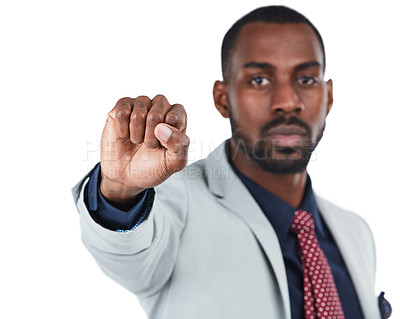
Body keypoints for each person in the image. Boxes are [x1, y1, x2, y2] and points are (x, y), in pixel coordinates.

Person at [72, 6, 391, 319]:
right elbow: (127, 253)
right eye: (259, 80)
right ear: (223, 98)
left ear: (328, 96)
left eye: (306, 79)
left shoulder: (355, 232)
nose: (287, 102)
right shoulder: (174, 205)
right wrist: (120, 190)